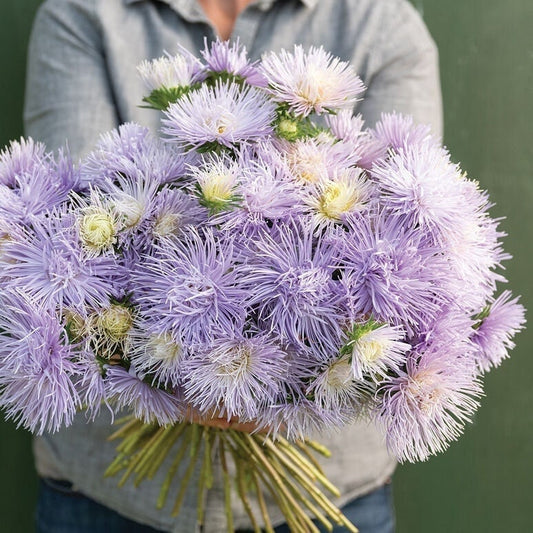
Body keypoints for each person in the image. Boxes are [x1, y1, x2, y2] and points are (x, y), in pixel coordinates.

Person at [24, 1, 442, 532]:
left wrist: (267, 374)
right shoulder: (82, 13)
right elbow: (77, 228)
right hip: (107, 494)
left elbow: (408, 228)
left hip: (329, 498)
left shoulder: (382, 23)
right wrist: (187, 373)